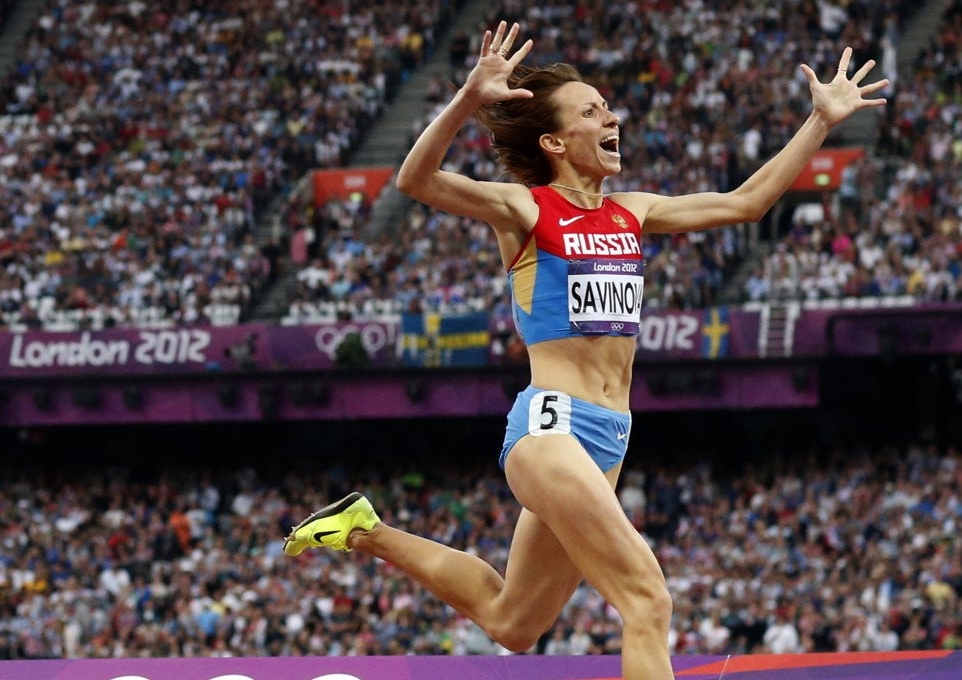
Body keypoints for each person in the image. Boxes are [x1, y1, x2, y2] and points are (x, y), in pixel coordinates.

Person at [284, 21, 888, 679]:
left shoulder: (634, 210)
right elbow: (415, 179)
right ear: (555, 141)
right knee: (647, 600)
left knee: (514, 622)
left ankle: (362, 530)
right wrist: (465, 98)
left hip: (609, 439)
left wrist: (820, 120)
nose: (612, 115)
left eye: (607, 106)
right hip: (551, 428)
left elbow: (747, 203)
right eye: (593, 110)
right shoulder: (525, 209)